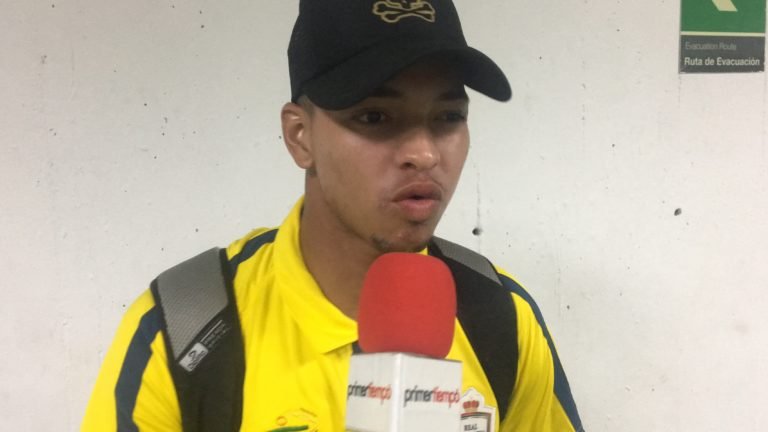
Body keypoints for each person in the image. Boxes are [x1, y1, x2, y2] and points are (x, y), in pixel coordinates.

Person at [82, 1, 584, 431]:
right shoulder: (184, 330)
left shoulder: (501, 317)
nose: (425, 154)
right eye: (374, 117)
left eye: (449, 117)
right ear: (300, 136)